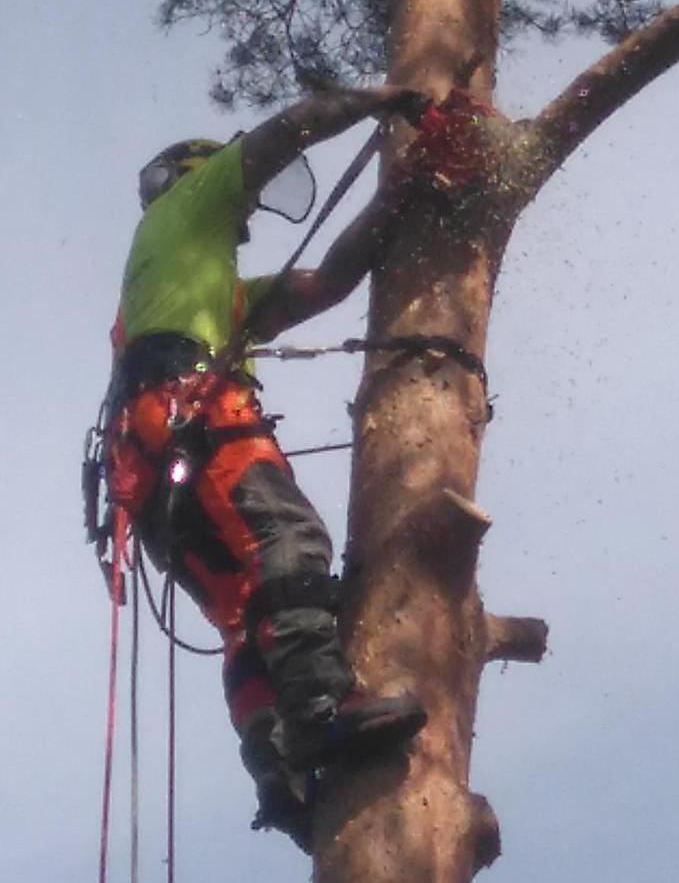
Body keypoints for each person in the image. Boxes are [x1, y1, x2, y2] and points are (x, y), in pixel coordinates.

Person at [100, 84, 434, 850]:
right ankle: (320, 711)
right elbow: (288, 131)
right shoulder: (186, 208)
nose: (248, 218)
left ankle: (279, 772)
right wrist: (385, 99)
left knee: (248, 613)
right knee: (292, 544)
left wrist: (401, 196)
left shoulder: (206, 288)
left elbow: (328, 282)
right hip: (191, 422)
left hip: (149, 474)